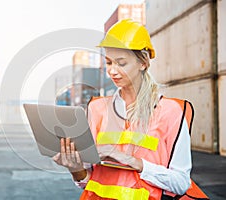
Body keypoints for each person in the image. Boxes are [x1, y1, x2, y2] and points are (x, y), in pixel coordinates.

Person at [53, 19, 208, 200]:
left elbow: (181, 183)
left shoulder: (170, 112)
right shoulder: (97, 109)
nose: (112, 71)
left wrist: (130, 161)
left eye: (121, 63)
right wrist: (75, 169)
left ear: (143, 63)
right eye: (109, 62)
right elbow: (89, 182)